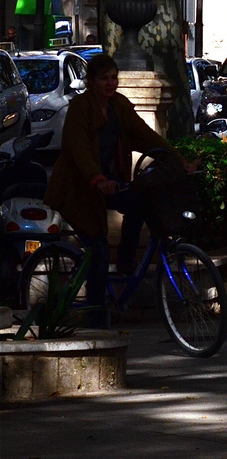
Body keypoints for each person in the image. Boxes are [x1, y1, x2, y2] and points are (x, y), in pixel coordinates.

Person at [46, 54, 174, 313]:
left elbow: (145, 135)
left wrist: (177, 159)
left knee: (139, 203)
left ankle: (127, 263)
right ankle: (96, 314)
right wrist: (97, 178)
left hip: (110, 184)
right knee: (99, 251)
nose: (110, 83)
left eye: (114, 77)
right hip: (80, 189)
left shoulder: (119, 106)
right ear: (91, 81)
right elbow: (78, 148)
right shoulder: (81, 108)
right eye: (104, 78)